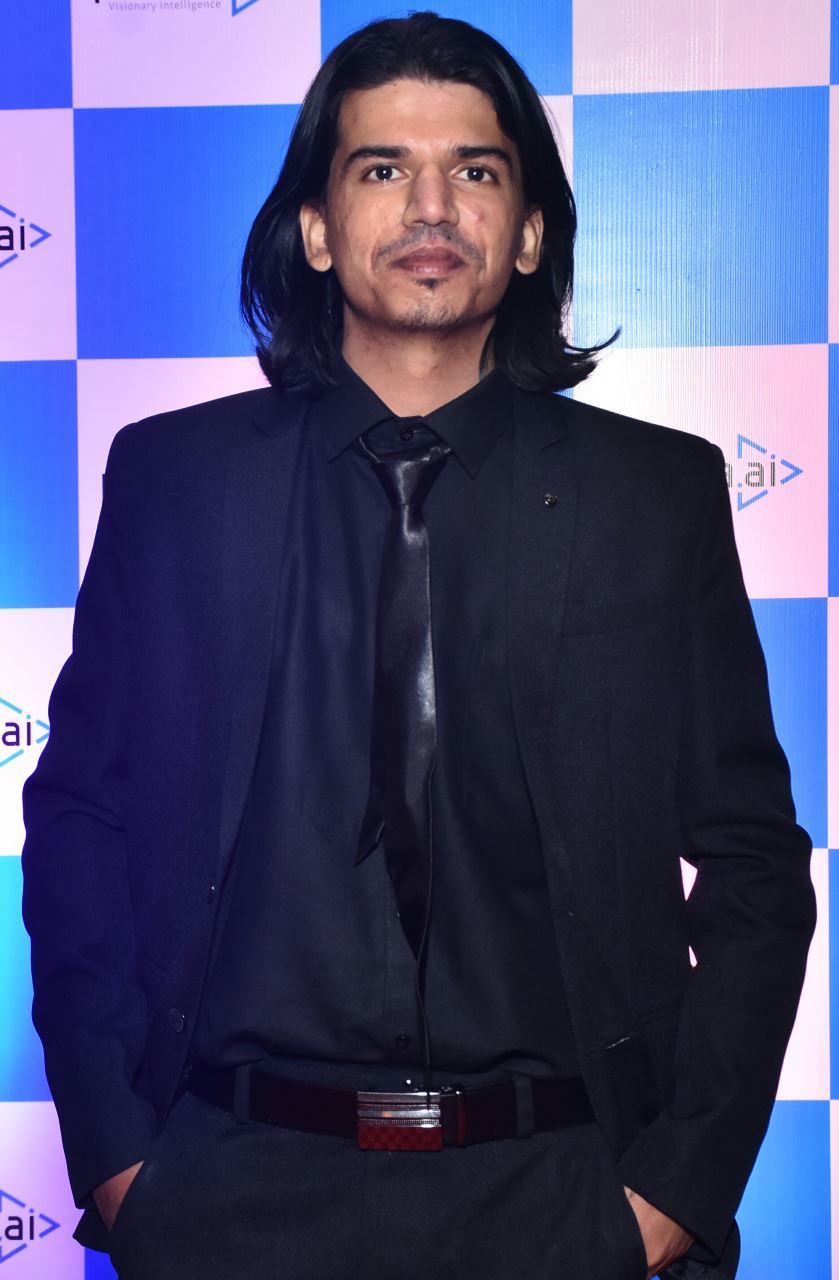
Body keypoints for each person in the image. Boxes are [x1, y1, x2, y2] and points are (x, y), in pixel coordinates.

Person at [21, 11, 815, 1280]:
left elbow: (752, 857)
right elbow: (79, 819)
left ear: (529, 231)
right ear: (316, 226)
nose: (430, 206)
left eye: (474, 170)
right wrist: (119, 1157)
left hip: (560, 1196)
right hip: (227, 1191)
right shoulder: (174, 482)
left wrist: (672, 1187)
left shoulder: (650, 495)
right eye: (382, 167)